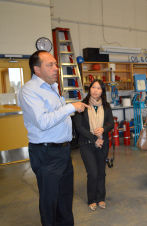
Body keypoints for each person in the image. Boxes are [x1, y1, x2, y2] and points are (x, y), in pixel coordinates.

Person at [17, 50, 88, 226]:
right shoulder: (29, 91)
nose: (56, 68)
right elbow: (43, 121)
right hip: (46, 153)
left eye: (56, 64)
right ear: (37, 69)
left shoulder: (52, 87)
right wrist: (70, 108)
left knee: (65, 198)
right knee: (50, 201)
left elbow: (56, 115)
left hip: (63, 150)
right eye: (50, 65)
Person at [73, 79, 114, 211]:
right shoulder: (82, 105)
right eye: (93, 87)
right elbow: (79, 127)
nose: (96, 90)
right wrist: (93, 138)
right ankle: (91, 199)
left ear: (102, 91)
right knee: (93, 173)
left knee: (101, 172)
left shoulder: (106, 106)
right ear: (89, 89)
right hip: (86, 143)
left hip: (103, 143)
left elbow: (110, 123)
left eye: (99, 88)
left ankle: (101, 198)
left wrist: (103, 129)